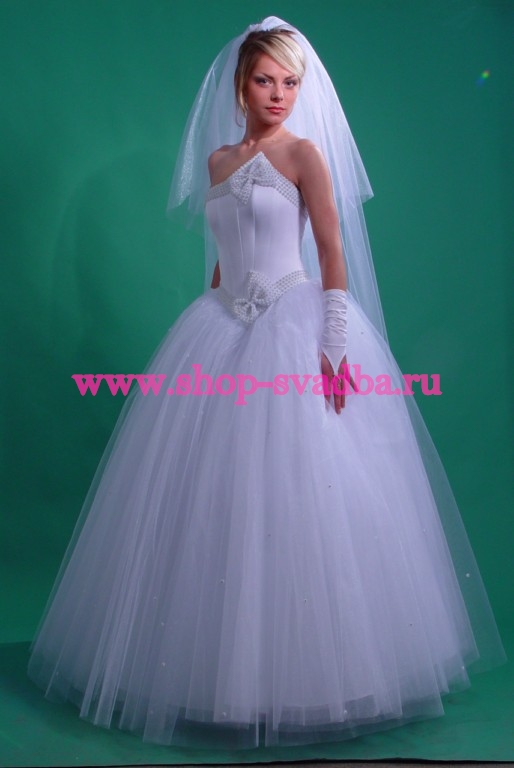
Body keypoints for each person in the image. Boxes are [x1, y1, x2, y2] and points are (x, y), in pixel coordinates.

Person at [28, 16, 505, 750]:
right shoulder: (219, 160)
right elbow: (225, 259)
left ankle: (314, 681)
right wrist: (211, 323)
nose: (278, 94)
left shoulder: (304, 155)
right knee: (212, 500)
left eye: (290, 82)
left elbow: (331, 253)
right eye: (264, 80)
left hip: (295, 325)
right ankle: (214, 678)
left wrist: (333, 344)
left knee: (303, 496)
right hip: (221, 327)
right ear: (239, 84)